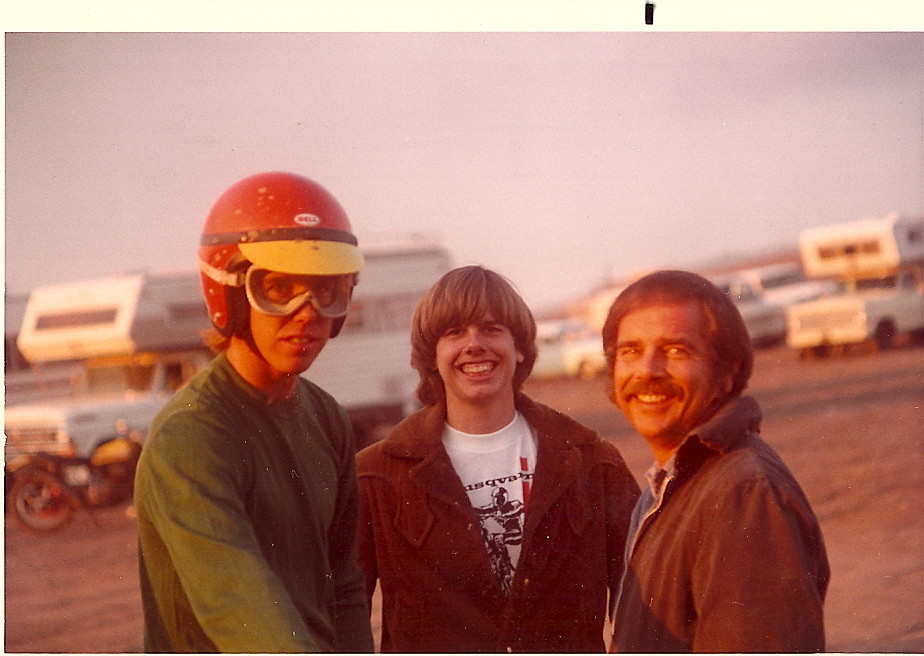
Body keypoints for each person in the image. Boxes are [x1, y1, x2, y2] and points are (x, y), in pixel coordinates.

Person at [134, 172, 374, 653]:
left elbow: (345, 583)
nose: (307, 312)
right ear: (227, 293)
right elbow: (240, 607)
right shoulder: (192, 436)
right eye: (279, 288)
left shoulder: (326, 417)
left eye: (326, 291)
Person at [356, 265, 640, 653]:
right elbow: (342, 608)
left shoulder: (592, 462)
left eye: (491, 329)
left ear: (519, 347)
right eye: (454, 332)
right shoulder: (377, 475)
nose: (474, 344)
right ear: (433, 356)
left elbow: (643, 603)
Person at [602, 269, 830, 653]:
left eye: (676, 351)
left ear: (727, 373)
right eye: (631, 351)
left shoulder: (743, 494)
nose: (647, 370)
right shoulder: (668, 484)